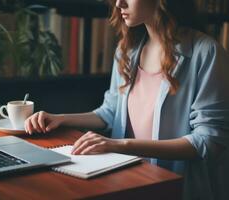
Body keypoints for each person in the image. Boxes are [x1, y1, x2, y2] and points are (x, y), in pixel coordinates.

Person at [24, 0, 229, 199]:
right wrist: (60, 118)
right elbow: (111, 112)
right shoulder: (126, 50)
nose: (119, 3)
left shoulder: (207, 53)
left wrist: (121, 145)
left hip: (176, 188)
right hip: (128, 180)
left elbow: (208, 140)